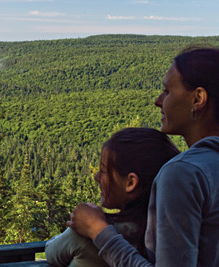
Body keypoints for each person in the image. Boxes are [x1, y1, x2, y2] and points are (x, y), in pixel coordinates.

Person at [67, 47, 219, 266]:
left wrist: (98, 230)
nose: (158, 101)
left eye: (167, 91)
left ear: (198, 99)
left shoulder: (184, 173)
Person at [46, 127, 179, 267]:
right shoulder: (175, 236)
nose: (96, 177)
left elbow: (51, 251)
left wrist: (92, 227)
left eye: (103, 171)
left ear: (130, 183)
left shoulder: (88, 233)